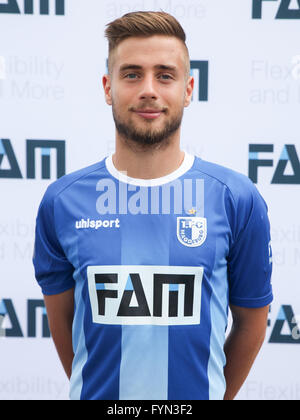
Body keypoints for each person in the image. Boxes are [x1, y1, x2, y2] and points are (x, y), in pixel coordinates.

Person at [33, 11, 273, 401]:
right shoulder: (62, 201)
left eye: (165, 75)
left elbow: (251, 323)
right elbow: (65, 328)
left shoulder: (235, 198)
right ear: (108, 88)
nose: (149, 89)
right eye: (132, 74)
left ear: (189, 88)